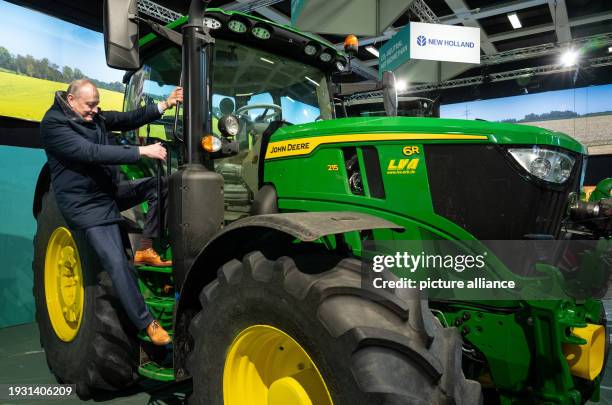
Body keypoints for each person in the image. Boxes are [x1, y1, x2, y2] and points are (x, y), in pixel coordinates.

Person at [40, 79, 182, 345]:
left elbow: (127, 118)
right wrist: (142, 151)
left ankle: (146, 247)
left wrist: (164, 104)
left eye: (97, 105)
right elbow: (91, 151)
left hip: (107, 192)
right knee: (117, 263)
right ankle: (147, 323)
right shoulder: (54, 125)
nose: (95, 110)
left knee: (158, 187)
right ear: (71, 100)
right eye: (90, 105)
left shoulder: (94, 117)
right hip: (87, 206)